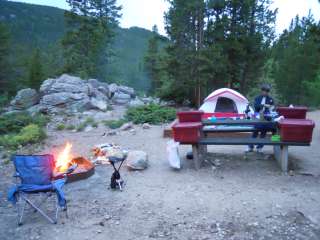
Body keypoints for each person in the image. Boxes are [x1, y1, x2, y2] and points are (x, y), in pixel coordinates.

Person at [246, 83, 275, 153]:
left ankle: (259, 147)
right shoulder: (257, 98)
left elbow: (272, 108)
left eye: (267, 91)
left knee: (263, 132)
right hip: (257, 116)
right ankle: (250, 147)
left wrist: (270, 108)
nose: (265, 92)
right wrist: (264, 105)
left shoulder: (270, 99)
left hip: (266, 117)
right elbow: (256, 106)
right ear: (262, 91)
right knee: (255, 132)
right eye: (264, 91)